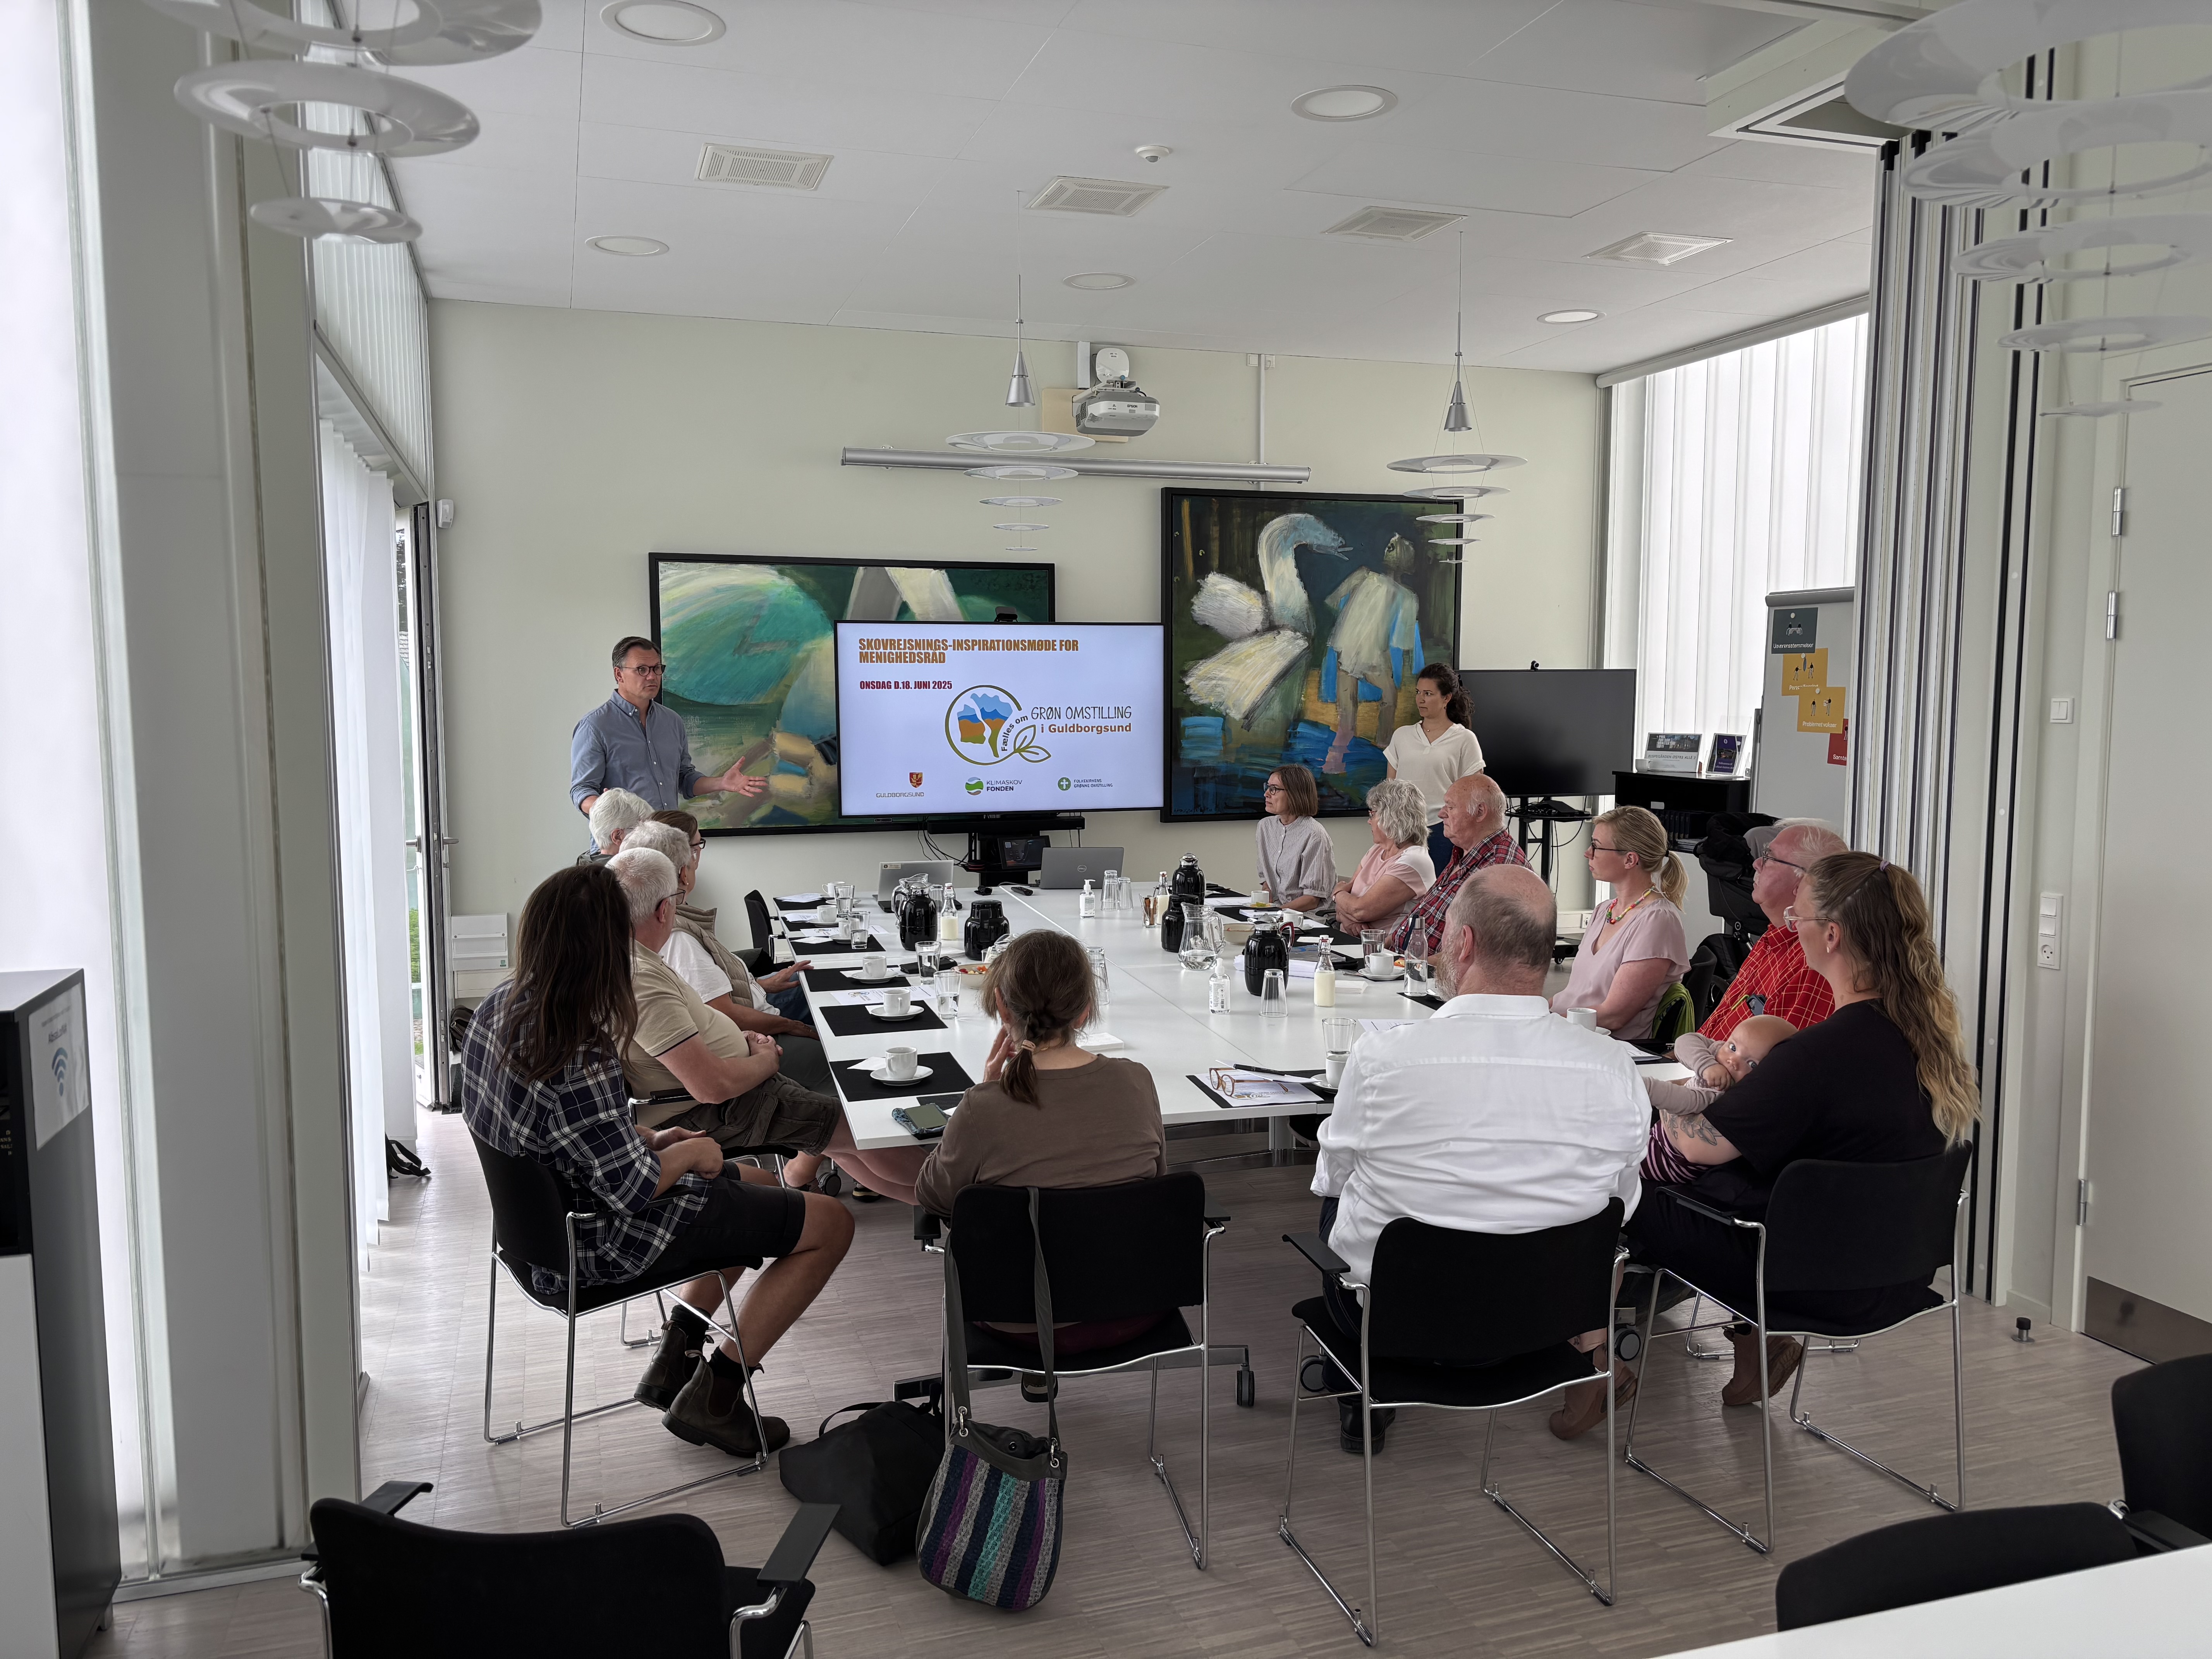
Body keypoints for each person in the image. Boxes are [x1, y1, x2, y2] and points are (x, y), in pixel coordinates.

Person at [459, 864, 854, 1459]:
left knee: (752, 1183)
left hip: (531, 1237)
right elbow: (630, 1189)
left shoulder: (500, 1007)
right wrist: (691, 1149)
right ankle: (716, 1397)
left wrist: (653, 1140)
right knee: (831, 1224)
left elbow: (559, 1135)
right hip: (592, 1244)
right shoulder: (579, 1045)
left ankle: (679, 1352)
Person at [1313, 866, 1649, 1451]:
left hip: (1398, 1316)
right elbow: (1622, 1202)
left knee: (1336, 1198)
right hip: (1547, 1315)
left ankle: (1361, 1396)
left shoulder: (1383, 1057)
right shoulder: (1614, 1066)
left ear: (1464, 944)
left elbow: (1331, 1180)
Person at [1632, 853, 1978, 1408]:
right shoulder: (1932, 1046)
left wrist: (1671, 1099)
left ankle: (1597, 1361)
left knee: (1621, 1187)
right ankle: (1753, 1351)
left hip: (1801, 1280)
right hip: (1897, 1275)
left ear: (1832, 935)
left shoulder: (1815, 1056)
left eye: (1800, 918)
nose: (1792, 926)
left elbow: (1693, 1144)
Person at [914, 930, 1168, 1395]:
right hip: (1134, 1308)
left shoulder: (984, 1107)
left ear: (1003, 1007)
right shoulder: (1137, 1082)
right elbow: (1155, 1182)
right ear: (1085, 1010)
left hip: (1018, 1321)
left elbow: (933, 1198)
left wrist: (984, 1091)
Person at [611, 847, 929, 1205]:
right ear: (663, 909)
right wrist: (765, 1059)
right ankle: (958, 1195)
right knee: (861, 1130)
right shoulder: (642, 978)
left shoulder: (632, 958)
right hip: (723, 1104)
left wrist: (737, 1038)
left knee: (840, 1142)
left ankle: (944, 1203)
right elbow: (711, 1087)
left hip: (731, 1087)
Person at [571, 635, 767, 823]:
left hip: (669, 838)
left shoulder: (672, 721)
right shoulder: (595, 726)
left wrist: (722, 783)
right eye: (642, 670)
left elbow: (685, 779)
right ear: (619, 674)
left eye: (657, 668)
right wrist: (608, 809)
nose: (652, 676)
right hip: (623, 841)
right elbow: (582, 790)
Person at [647, 808, 812, 1022]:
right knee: (829, 987)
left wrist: (763, 985)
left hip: (756, 998)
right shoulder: (680, 939)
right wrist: (794, 1027)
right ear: (685, 870)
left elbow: (718, 991)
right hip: (762, 1019)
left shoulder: (668, 918)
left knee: (816, 978)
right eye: (698, 846)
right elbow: (724, 1014)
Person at [1694, 819, 1849, 1044]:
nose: (1757, 863)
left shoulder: (1814, 963)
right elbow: (1713, 1033)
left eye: (1769, 857)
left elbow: (1776, 1059)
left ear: (1804, 882)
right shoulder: (1773, 935)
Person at [1553, 805, 1690, 1041]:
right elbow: (1573, 995)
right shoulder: (1604, 910)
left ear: (1630, 860)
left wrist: (1547, 1023)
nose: (1588, 853)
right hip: (1571, 1034)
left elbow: (1615, 1016)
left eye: (1596, 846)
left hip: (1602, 1046)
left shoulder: (1658, 920)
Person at [1640, 1015, 1798, 1187]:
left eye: (1752, 1064)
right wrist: (1707, 1065)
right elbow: (1685, 1042)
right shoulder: (1721, 1055)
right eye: (1733, 1047)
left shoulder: (1723, 1094)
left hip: (1667, 1161)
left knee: (1621, 1160)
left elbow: (1679, 1099)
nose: (1733, 1061)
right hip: (1657, 1135)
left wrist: (1638, 1084)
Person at [1386, 772, 1528, 955]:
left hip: (1426, 971)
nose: (1441, 814)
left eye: (1451, 807)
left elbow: (1475, 955)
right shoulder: (1464, 852)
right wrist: (1383, 949)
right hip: (1402, 962)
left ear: (1480, 812)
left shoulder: (1500, 869)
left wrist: (1405, 966)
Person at [1383, 663, 1486, 873]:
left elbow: (1474, 794)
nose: (1420, 699)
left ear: (1446, 698)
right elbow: (1389, 788)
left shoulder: (1465, 739)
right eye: (1418, 692)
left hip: (1444, 831)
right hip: (1403, 830)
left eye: (1428, 694)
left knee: (1439, 889)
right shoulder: (1402, 736)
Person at [1330, 777, 1434, 934]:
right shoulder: (1377, 850)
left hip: (1384, 947)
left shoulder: (1413, 861)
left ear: (1392, 817)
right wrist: (1348, 920)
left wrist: (1337, 894)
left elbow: (1360, 910)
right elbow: (1345, 904)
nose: (1369, 821)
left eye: (1372, 814)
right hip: (1353, 939)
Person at [1255, 764, 1337, 913]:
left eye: (1274, 789)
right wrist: (1264, 902)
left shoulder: (1315, 834)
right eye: (1267, 787)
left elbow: (1311, 900)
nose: (1267, 794)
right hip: (1278, 912)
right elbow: (1267, 881)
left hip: (1308, 917)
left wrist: (1275, 913)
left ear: (1295, 794)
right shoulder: (1265, 827)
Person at [579, 787, 651, 865]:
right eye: (643, 830)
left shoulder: (587, 864)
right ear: (618, 836)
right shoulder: (630, 871)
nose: (650, 836)